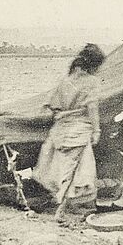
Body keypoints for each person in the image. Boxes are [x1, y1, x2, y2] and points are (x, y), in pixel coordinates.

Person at [34, 43, 105, 222]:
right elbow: (92, 107)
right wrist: (96, 130)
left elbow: (51, 106)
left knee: (61, 169)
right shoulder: (92, 82)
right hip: (79, 129)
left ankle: (61, 205)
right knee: (76, 171)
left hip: (60, 130)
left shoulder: (65, 80)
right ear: (94, 65)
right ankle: (63, 209)